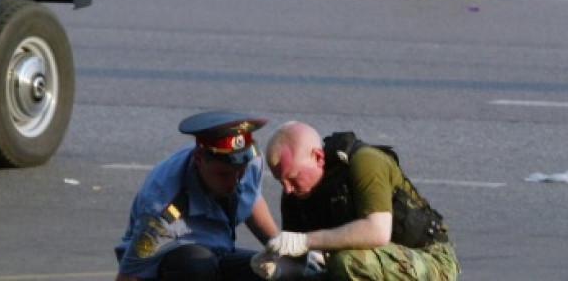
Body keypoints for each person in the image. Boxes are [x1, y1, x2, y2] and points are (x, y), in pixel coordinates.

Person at [259, 122, 459, 281]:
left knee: (348, 262)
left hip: (430, 260)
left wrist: (306, 241)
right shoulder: (296, 195)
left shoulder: (365, 162)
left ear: (318, 157)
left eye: (292, 178)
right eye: (280, 181)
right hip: (374, 264)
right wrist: (277, 269)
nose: (287, 188)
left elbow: (377, 232)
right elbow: (297, 264)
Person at [114, 112, 280, 281]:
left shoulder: (250, 162)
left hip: (219, 253)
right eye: (223, 174)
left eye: (240, 172)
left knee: (276, 271)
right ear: (199, 160)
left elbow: (251, 199)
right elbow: (130, 275)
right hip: (170, 263)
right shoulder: (163, 208)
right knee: (197, 265)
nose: (235, 182)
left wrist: (281, 250)